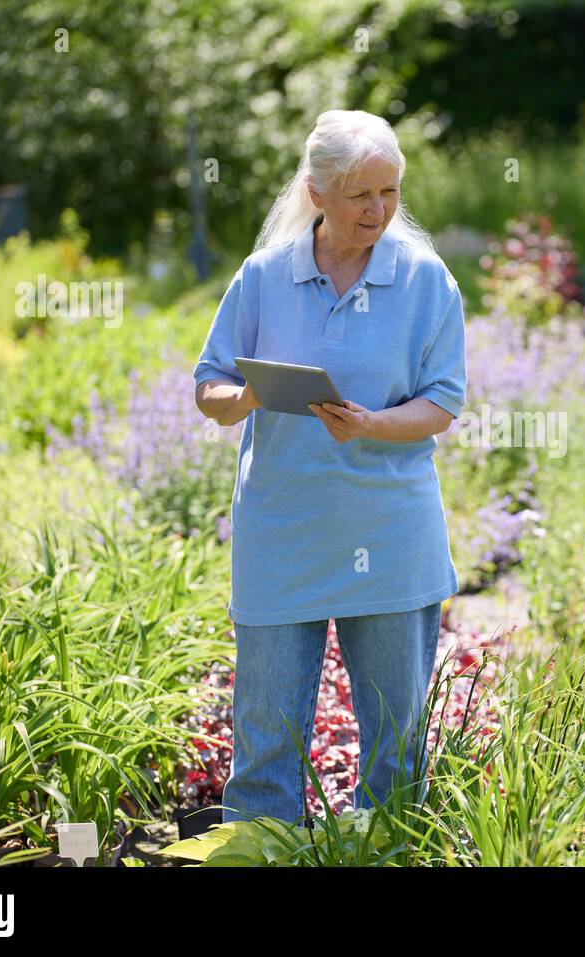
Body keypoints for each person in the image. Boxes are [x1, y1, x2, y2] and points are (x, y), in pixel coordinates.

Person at [193, 109, 467, 827]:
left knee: (395, 739)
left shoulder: (426, 281)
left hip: (390, 531)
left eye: (390, 191)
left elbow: (443, 401)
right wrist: (248, 395)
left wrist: (373, 424)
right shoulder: (262, 278)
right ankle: (262, 840)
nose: (378, 209)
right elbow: (209, 390)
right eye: (360, 195)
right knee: (265, 731)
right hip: (283, 532)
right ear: (317, 193)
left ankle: (380, 842)